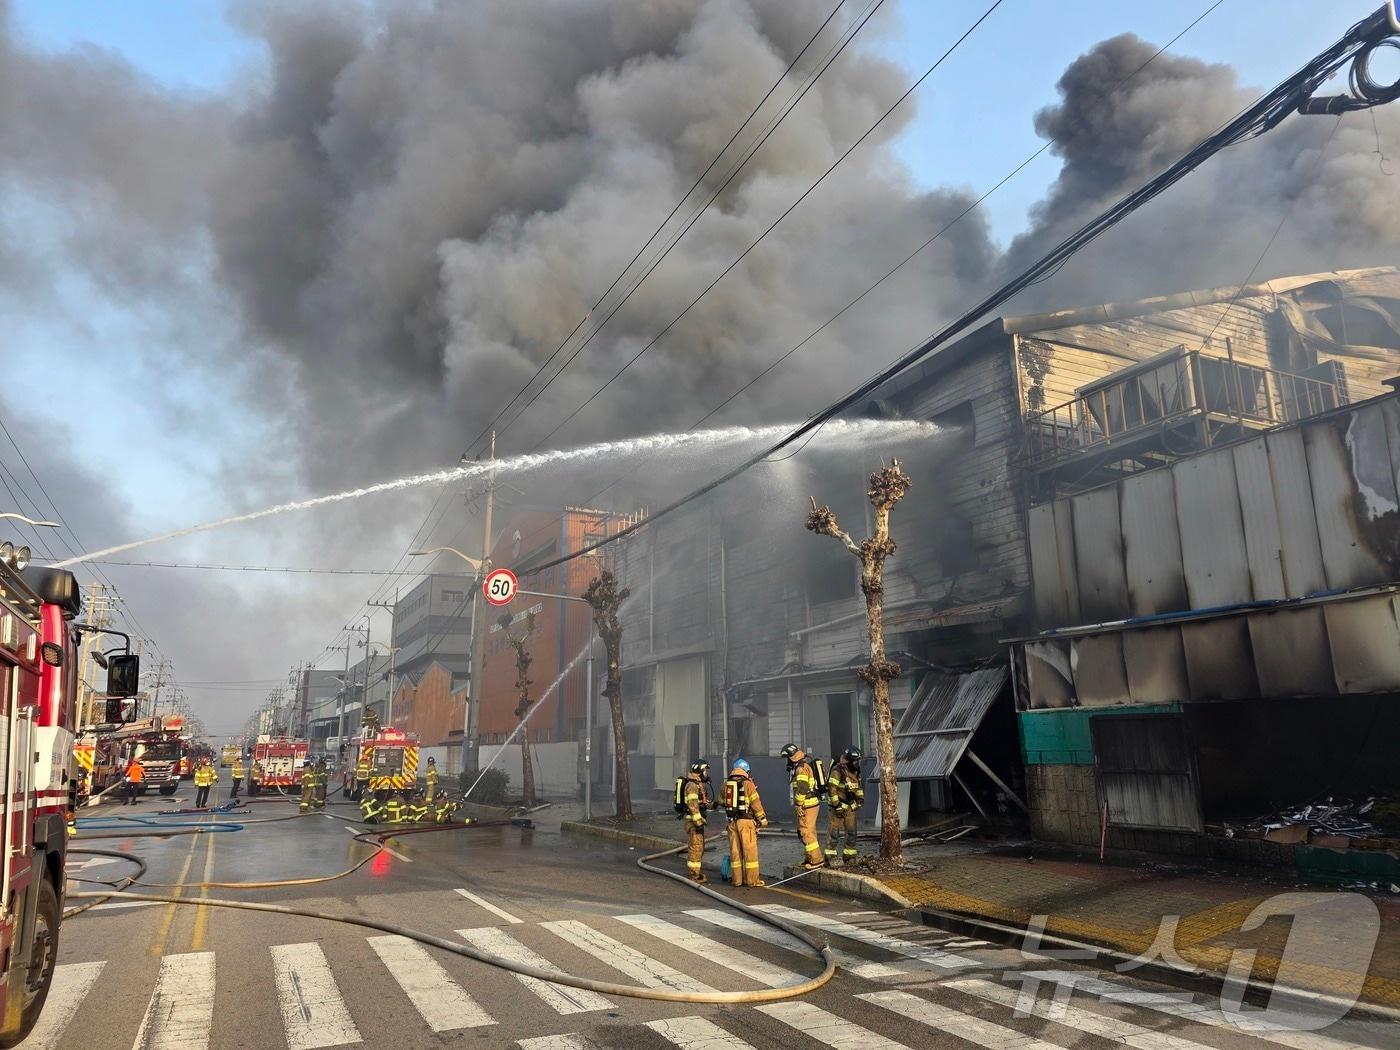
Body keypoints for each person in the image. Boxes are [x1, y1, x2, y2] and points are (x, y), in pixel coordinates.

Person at [722, 759, 768, 888]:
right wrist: (762, 819)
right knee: (749, 851)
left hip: (731, 822)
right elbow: (755, 803)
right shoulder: (748, 784)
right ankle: (752, 880)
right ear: (745, 770)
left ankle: (737, 880)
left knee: (735, 851)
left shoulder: (726, 784)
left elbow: (721, 801)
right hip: (746, 822)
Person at [781, 743, 825, 869]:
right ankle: (810, 858)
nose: (786, 761)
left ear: (791, 757)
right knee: (810, 831)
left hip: (807, 804)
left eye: (786, 758)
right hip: (811, 803)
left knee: (805, 832)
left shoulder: (801, 768)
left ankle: (816, 860)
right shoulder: (804, 765)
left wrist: (798, 804)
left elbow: (803, 787)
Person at [825, 747, 865, 866]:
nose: (857, 763)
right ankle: (829, 857)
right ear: (848, 760)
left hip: (850, 807)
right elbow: (832, 790)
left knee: (852, 832)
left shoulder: (855, 771)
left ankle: (849, 857)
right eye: (855, 761)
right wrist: (837, 806)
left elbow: (858, 787)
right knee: (834, 832)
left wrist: (860, 800)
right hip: (837, 807)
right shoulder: (837, 770)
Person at [680, 760, 712, 884]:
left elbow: (701, 803)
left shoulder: (698, 784)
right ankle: (693, 875)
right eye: (705, 770)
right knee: (695, 848)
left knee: (698, 847)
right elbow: (693, 806)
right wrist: (698, 823)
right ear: (700, 771)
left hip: (695, 821)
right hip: (693, 823)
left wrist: (712, 805)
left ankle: (695, 872)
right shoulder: (692, 785)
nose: (706, 773)